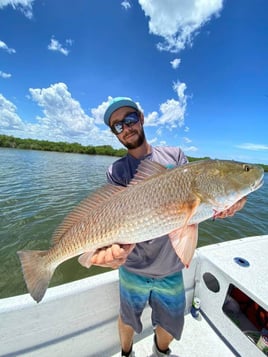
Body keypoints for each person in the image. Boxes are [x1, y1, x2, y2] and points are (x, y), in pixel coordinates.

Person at [90, 97, 246, 357]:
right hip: (132, 267)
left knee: (172, 322)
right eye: (118, 126)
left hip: (170, 266)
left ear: (141, 118)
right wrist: (111, 250)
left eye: (129, 120)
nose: (126, 128)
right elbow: (113, 219)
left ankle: (159, 352)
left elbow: (198, 206)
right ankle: (127, 354)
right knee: (128, 319)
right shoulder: (116, 171)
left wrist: (226, 206)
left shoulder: (174, 156)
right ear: (115, 134)